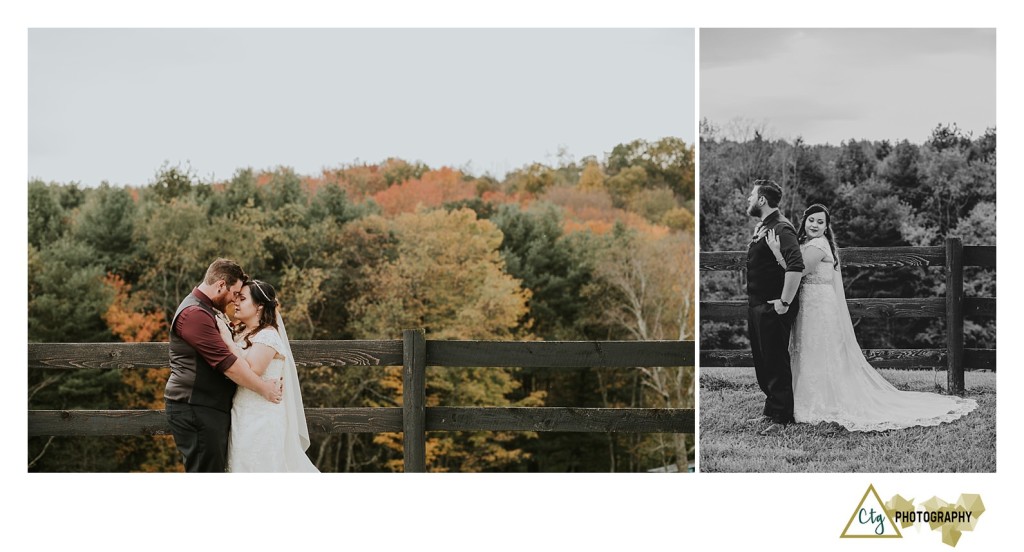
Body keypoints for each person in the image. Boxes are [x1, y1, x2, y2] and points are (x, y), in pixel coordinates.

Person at [766, 204, 977, 431]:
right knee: (808, 349)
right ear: (804, 221)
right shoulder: (807, 244)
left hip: (819, 306)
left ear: (826, 228)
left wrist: (777, 251)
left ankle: (824, 401)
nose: (815, 225)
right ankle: (805, 397)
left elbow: (800, 270)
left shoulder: (818, 244)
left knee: (820, 349)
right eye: (811, 220)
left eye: (820, 222)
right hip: (808, 304)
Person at [164, 259, 284, 472]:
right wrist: (263, 388)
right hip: (196, 407)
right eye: (234, 293)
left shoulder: (206, 310)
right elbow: (229, 366)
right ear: (220, 286)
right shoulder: (195, 314)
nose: (234, 300)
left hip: (210, 407)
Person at [217, 279, 319, 472]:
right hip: (242, 412)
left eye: (242, 298)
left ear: (259, 307)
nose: (235, 302)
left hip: (262, 417)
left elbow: (250, 369)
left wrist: (227, 341)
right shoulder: (242, 332)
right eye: (236, 297)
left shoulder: (268, 335)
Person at [745, 180, 804, 434]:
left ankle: (782, 418)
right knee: (764, 360)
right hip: (758, 304)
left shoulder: (782, 228)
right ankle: (771, 410)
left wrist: (784, 302)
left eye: (751, 195)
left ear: (762, 200)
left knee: (776, 361)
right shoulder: (765, 226)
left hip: (774, 306)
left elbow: (796, 266)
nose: (748, 199)